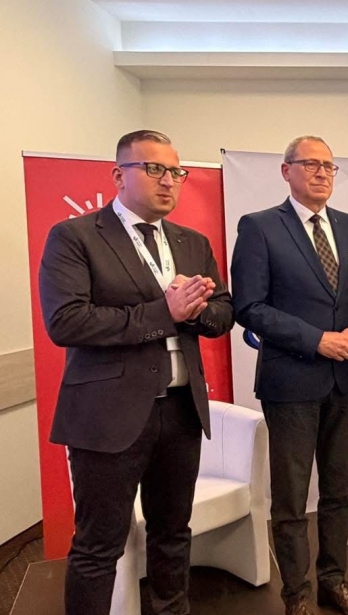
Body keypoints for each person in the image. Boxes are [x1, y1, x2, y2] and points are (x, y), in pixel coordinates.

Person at [39, 129, 233, 615]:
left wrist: (197, 312)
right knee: (98, 546)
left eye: (176, 171)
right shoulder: (75, 236)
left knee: (173, 533)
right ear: (117, 175)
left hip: (181, 412)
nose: (169, 180)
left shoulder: (191, 242)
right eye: (154, 169)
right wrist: (166, 311)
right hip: (108, 417)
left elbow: (224, 311)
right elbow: (67, 322)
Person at [231, 136, 348, 615]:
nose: (321, 173)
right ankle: (296, 594)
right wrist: (316, 339)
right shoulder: (259, 227)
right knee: (292, 498)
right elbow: (249, 306)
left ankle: (333, 582)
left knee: (340, 490)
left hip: (346, 379)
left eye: (329, 166)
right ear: (286, 171)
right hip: (291, 381)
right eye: (310, 164)